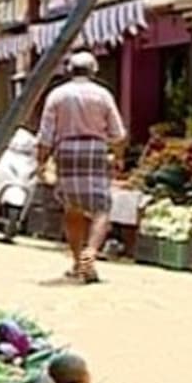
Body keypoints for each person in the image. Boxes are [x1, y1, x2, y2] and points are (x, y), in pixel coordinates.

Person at [36, 51, 127, 284]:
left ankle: (78, 262)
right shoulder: (102, 95)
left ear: (69, 70)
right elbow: (118, 134)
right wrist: (118, 158)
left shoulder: (57, 95)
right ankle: (91, 252)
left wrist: (41, 163)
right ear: (93, 71)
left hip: (65, 150)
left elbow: (45, 136)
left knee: (72, 208)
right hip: (96, 149)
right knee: (102, 207)